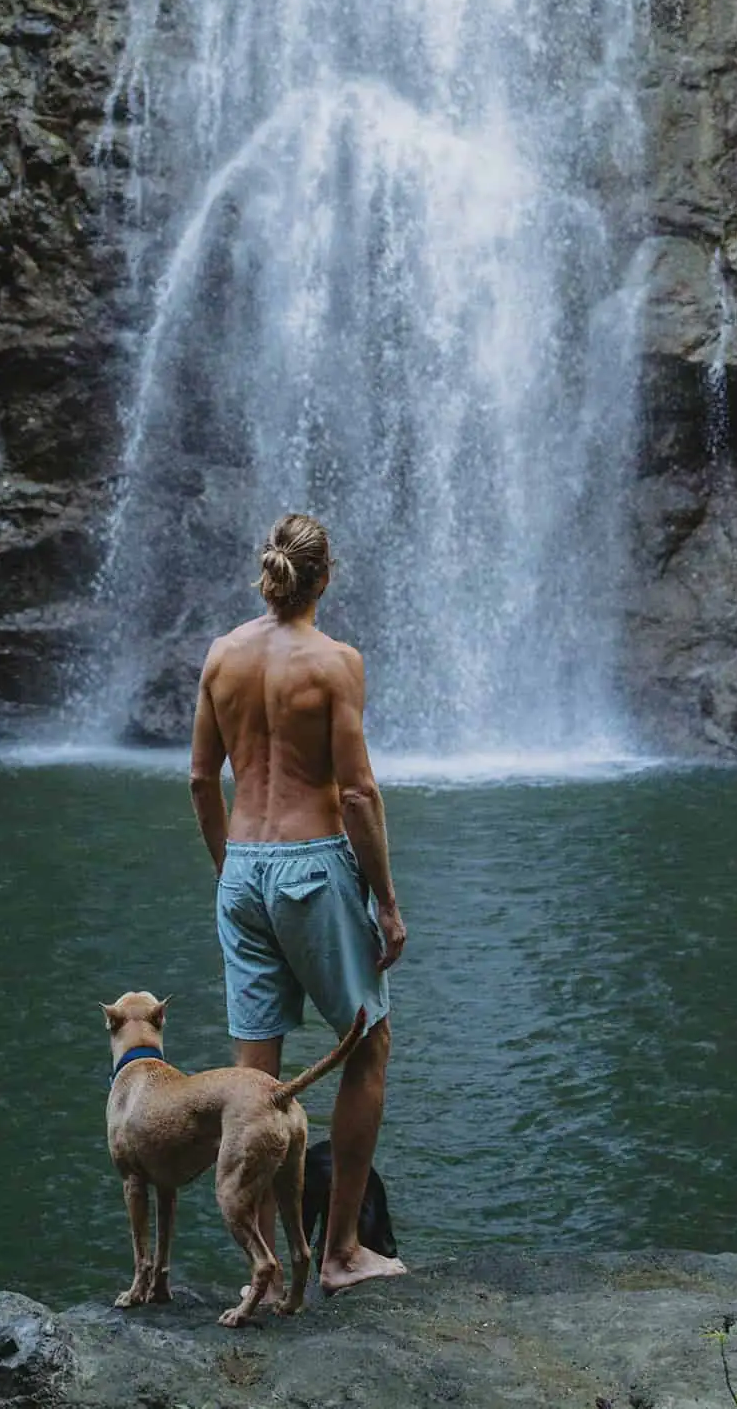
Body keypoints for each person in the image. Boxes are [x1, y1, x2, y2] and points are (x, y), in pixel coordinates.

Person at [189, 511, 407, 1295]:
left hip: (243, 868)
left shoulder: (221, 657)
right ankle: (344, 1249)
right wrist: (384, 898)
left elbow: (198, 780)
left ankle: (266, 1269)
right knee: (368, 1045)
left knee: (255, 1084)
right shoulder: (335, 663)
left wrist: (229, 872)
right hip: (312, 868)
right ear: (326, 576)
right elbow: (356, 792)